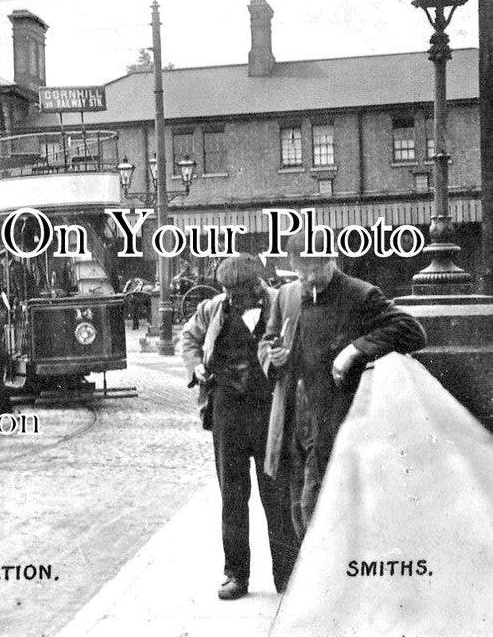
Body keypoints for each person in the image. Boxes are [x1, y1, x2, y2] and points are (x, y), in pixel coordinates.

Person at [259, 230, 426, 540]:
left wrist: (355, 349)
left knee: (317, 506)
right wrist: (273, 355)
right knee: (295, 507)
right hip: (293, 418)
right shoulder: (287, 295)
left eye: (314, 270)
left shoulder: (360, 294)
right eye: (301, 272)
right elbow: (269, 340)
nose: (308, 279)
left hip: (335, 419)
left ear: (331, 260)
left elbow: (412, 330)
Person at [180, 254, 298, 600]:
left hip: (268, 410)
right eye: (227, 291)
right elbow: (189, 338)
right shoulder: (213, 308)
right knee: (232, 497)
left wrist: (286, 356)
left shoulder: (280, 304)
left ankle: (287, 574)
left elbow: (299, 343)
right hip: (226, 409)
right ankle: (236, 575)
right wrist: (196, 366)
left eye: (239, 292)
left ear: (257, 284)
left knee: (276, 494)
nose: (232, 298)